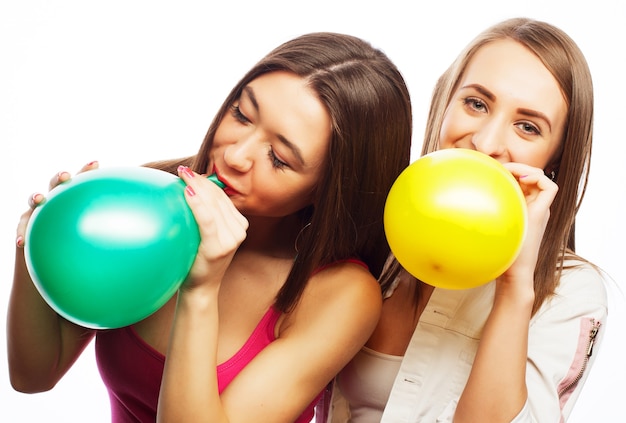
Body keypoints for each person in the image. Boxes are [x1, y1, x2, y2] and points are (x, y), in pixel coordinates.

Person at [8, 32, 412, 422]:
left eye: (279, 158)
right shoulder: (151, 203)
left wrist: (201, 290)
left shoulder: (340, 294)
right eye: (241, 114)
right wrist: (34, 242)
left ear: (329, 189)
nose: (235, 155)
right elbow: (33, 376)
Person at [322, 18, 609, 422]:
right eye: (476, 103)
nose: (486, 143)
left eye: (527, 127)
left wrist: (514, 288)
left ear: (556, 157)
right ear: (445, 102)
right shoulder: (373, 232)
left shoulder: (571, 292)